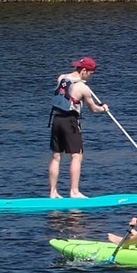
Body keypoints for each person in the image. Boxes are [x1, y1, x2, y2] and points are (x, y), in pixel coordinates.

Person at [48, 57, 108, 199]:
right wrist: (104, 109)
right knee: (76, 155)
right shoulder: (83, 88)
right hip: (70, 121)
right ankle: (74, 192)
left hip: (56, 120)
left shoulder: (61, 78)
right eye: (90, 74)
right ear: (84, 71)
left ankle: (53, 192)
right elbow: (93, 109)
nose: (90, 77)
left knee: (56, 157)